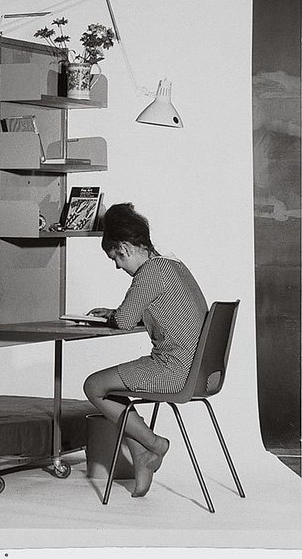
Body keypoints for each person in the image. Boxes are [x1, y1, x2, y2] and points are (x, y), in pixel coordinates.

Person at [83, 203, 208, 497]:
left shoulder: (150, 273)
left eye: (115, 257)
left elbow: (125, 321)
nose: (117, 266)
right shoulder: (173, 265)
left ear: (125, 247)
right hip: (201, 371)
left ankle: (154, 445)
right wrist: (115, 311)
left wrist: (117, 314)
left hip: (176, 372)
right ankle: (142, 459)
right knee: (114, 387)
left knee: (94, 386)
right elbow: (166, 309)